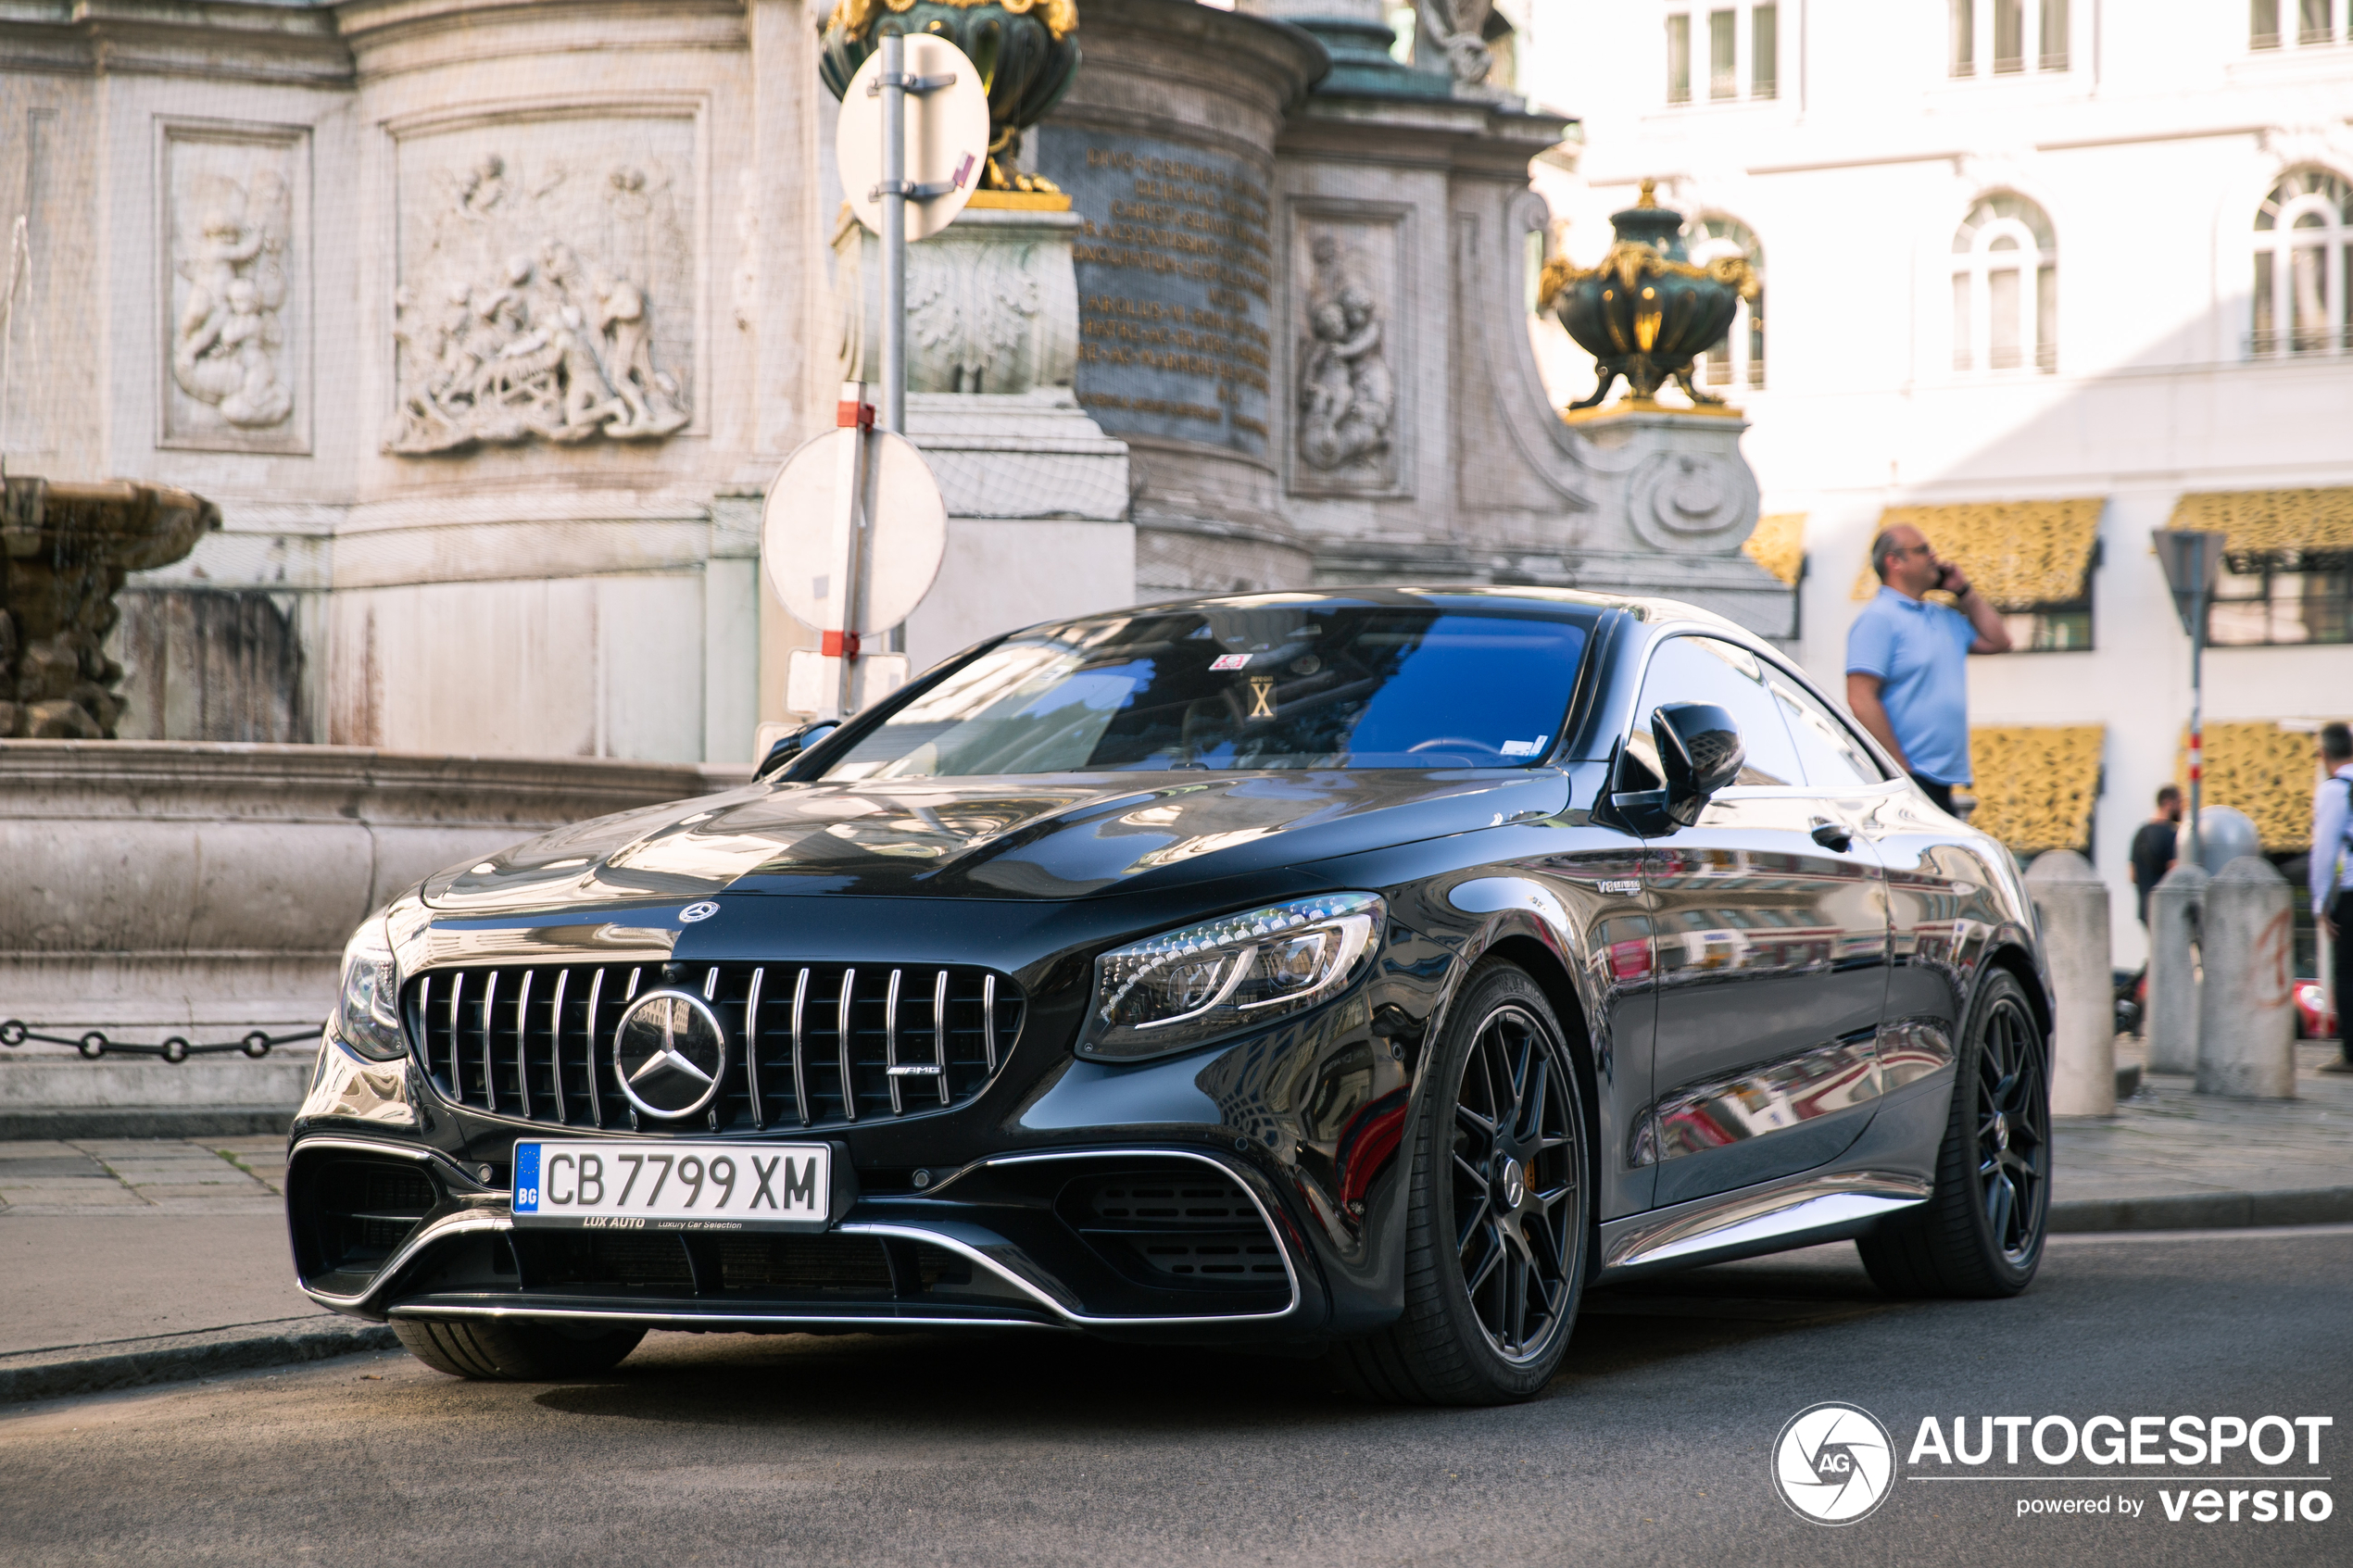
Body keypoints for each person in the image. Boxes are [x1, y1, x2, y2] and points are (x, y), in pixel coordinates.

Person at [1844, 523, 2013, 815]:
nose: (1933, 556)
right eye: (1922, 550)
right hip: (1907, 780)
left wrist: (1964, 591)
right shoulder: (1878, 619)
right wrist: (1900, 771)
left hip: (1941, 781)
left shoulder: (1942, 616)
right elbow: (1860, 698)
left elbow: (1998, 640)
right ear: (1894, 562)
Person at [2313, 721, 2353, 1074]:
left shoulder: (2335, 790)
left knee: (2347, 972)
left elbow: (2325, 852)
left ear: (2324, 754)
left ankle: (2351, 1053)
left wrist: (2320, 903)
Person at [2130, 784, 2183, 926]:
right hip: (2167, 908)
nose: (2182, 808)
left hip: (2145, 909)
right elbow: (2175, 872)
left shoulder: (2140, 833)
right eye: (2179, 802)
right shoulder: (2172, 834)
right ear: (2168, 803)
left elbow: (2132, 875)